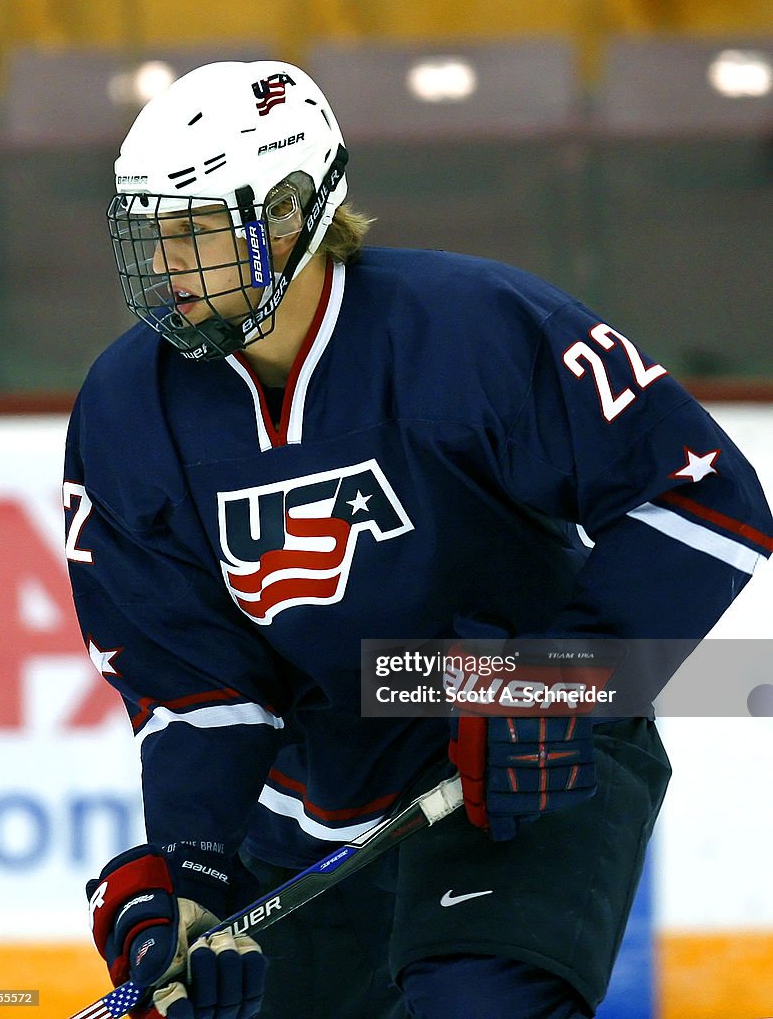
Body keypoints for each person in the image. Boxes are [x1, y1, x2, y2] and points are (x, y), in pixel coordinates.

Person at [64, 60, 773, 1019]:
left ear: (288, 210)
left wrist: (554, 681)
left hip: (526, 770)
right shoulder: (124, 411)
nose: (167, 265)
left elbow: (707, 500)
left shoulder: (476, 332)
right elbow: (196, 688)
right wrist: (191, 875)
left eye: (196, 228)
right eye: (154, 234)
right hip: (307, 811)